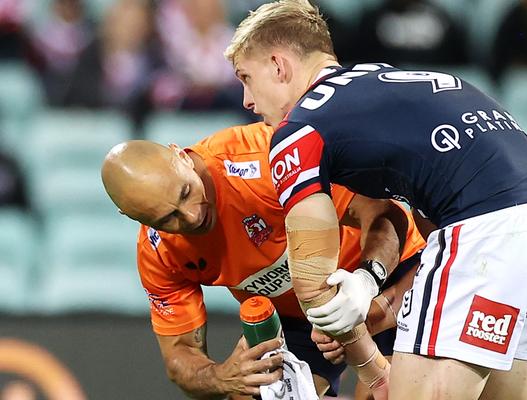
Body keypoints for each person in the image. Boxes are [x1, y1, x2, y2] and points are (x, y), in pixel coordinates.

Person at [224, 1, 527, 399]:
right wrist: (367, 281)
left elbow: (312, 276)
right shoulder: (385, 84)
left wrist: (364, 358)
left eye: (246, 77)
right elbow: (426, 213)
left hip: (486, 234)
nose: (247, 101)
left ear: (279, 66)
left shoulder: (300, 127)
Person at [100, 122, 426, 399]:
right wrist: (221, 376)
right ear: (131, 217)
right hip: (301, 320)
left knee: (394, 392)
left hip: (386, 275)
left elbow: (383, 212)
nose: (192, 216)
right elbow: (179, 357)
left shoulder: (262, 158)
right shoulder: (159, 253)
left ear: (181, 155)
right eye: (167, 218)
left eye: (185, 193)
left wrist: (364, 286)